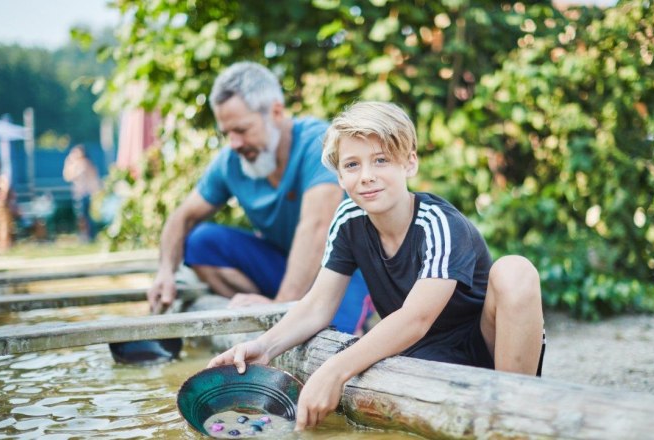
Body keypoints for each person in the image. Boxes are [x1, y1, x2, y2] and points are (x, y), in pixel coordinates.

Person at [208, 102, 546, 431]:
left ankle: (512, 420)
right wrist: (264, 347)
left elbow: (417, 318)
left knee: (515, 269)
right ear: (340, 177)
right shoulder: (349, 220)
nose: (367, 176)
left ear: (409, 163)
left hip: (482, 347)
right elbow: (317, 305)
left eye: (381, 160)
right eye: (352, 165)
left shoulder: (440, 223)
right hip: (421, 355)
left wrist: (334, 370)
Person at [146, 61, 371, 334]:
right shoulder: (231, 161)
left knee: (331, 336)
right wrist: (165, 273)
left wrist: (282, 308)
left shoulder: (318, 143)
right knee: (201, 241)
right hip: (285, 266)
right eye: (227, 133)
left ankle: (282, 307)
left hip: (345, 271)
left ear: (276, 112)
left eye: (241, 130)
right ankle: (271, 305)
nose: (234, 143)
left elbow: (316, 228)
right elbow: (182, 217)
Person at [63, 145, 102, 242]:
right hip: (79, 194)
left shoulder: (84, 163)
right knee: (82, 216)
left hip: (85, 194)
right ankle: (86, 235)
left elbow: (74, 176)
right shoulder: (76, 164)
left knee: (85, 216)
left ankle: (89, 236)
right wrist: (69, 162)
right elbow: (67, 176)